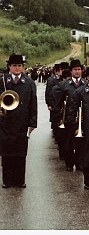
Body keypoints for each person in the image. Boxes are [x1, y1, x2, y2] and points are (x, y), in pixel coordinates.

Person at [0, 54, 37, 188]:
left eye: (19, 65)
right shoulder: (2, 81)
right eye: (14, 65)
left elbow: (33, 104)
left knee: (21, 153)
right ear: (9, 66)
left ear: (23, 67)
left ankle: (20, 180)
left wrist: (32, 123)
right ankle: (7, 181)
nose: (17, 68)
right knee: (6, 153)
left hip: (22, 123)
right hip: (5, 122)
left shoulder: (29, 83)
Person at [53, 59, 86, 170]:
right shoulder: (63, 85)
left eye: (79, 69)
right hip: (68, 118)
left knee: (81, 143)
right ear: (71, 71)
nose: (77, 72)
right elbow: (58, 103)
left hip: (82, 119)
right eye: (75, 69)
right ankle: (69, 163)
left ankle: (79, 163)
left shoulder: (86, 84)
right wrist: (58, 118)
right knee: (68, 143)